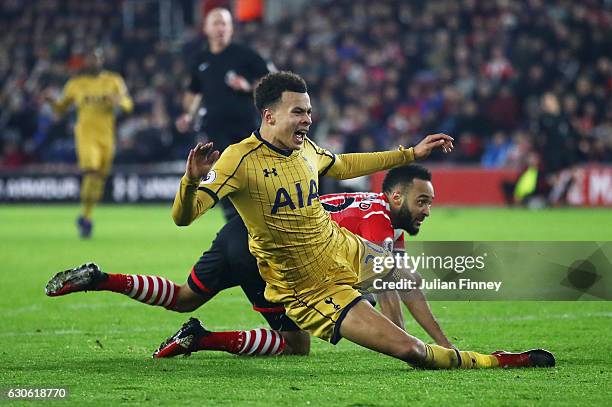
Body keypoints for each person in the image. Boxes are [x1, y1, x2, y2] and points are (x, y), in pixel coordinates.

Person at [170, 71, 554, 369]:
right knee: (411, 351)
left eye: (308, 110)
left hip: (342, 249)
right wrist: (189, 181)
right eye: (298, 112)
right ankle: (497, 360)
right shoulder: (239, 160)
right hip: (310, 288)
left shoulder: (306, 150)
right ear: (269, 115)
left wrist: (409, 153)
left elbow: (347, 162)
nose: (308, 118)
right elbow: (184, 217)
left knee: (408, 278)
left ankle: (449, 346)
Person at [45, 165, 452, 357]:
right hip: (271, 253)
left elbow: (403, 282)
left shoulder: (380, 217)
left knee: (184, 295)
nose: (428, 211)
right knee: (297, 345)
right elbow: (389, 288)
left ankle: (101, 278)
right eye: (423, 202)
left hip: (241, 231)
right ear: (397, 197)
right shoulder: (379, 220)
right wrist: (406, 345)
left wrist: (439, 343)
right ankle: (202, 339)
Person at [176, 7, 272, 220]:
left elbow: (271, 81)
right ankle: (233, 219)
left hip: (246, 128)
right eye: (216, 23)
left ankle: (255, 217)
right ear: (206, 28)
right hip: (215, 129)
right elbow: (194, 93)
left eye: (224, 24)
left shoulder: (245, 55)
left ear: (231, 29)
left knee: (250, 175)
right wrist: (188, 116)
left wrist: (248, 87)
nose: (220, 28)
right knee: (222, 173)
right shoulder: (200, 59)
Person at [49, 48, 133, 238]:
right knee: (92, 171)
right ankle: (86, 217)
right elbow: (61, 108)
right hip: (86, 136)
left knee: (99, 178)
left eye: (95, 58)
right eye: (89, 59)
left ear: (101, 60)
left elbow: (128, 104)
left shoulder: (113, 81)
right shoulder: (76, 84)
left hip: (107, 137)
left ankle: (85, 216)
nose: (92, 62)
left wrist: (120, 102)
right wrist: (51, 102)